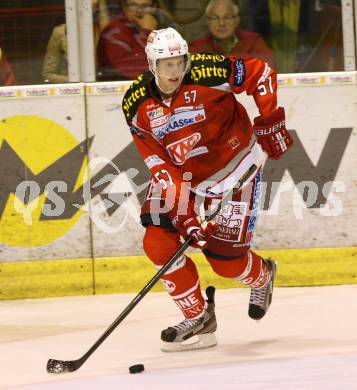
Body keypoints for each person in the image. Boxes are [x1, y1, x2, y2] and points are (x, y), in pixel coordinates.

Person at [122, 27, 293, 352]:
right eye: (166, 64)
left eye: (179, 61)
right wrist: (185, 213)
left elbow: (261, 72)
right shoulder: (135, 103)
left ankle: (262, 275)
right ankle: (198, 316)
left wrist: (271, 120)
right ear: (151, 64)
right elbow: (157, 162)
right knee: (158, 243)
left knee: (225, 263)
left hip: (235, 167)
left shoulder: (207, 70)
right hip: (180, 175)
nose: (175, 71)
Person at [97, 0, 174, 81]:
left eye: (145, 5)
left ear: (154, 7)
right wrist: (147, 32)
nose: (139, 10)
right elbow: (138, 73)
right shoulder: (114, 32)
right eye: (133, 5)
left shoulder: (161, 27)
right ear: (123, 6)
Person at [190, 0, 274, 68]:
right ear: (208, 21)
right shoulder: (197, 48)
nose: (221, 23)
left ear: (236, 20)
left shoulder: (254, 42)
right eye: (215, 18)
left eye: (227, 17)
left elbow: (269, 68)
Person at [43, 0, 110, 83]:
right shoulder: (60, 32)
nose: (87, 6)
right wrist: (74, 83)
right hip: (72, 90)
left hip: (102, 89)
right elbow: (49, 74)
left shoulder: (105, 31)